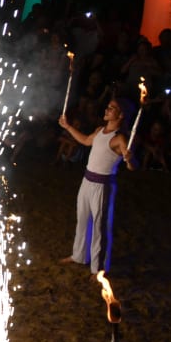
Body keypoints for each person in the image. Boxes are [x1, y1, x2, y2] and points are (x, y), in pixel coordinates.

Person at [58, 98, 136, 276]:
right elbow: (86, 141)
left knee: (99, 228)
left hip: (103, 185)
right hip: (87, 181)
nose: (107, 109)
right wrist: (68, 127)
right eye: (108, 106)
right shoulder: (100, 130)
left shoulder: (120, 138)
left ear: (121, 115)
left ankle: (98, 268)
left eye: (112, 108)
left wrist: (130, 159)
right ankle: (78, 256)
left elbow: (132, 166)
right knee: (83, 220)